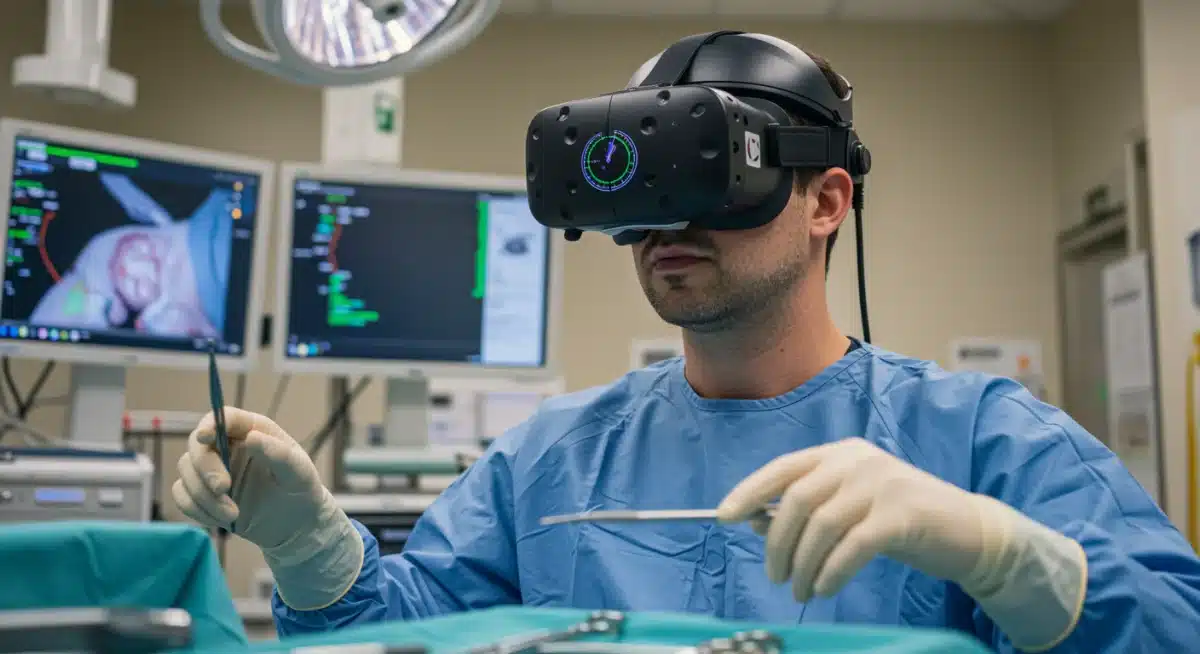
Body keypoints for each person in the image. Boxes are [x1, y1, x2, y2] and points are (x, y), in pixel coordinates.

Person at [172, 33, 1200, 653]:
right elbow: (404, 636)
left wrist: (1009, 557)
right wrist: (310, 548)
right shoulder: (547, 466)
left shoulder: (981, 441)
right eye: (638, 194)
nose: (668, 229)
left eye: (710, 177)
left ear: (825, 201)